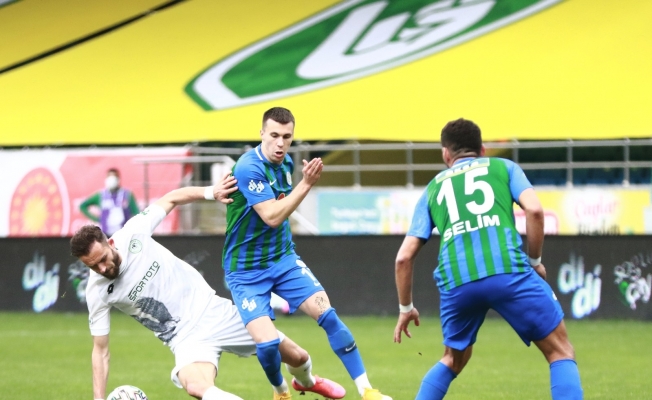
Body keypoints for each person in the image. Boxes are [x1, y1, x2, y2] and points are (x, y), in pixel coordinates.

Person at [70, 175, 345, 400]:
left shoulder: (133, 232)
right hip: (184, 340)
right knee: (196, 387)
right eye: (93, 266)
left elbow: (171, 198)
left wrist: (210, 192)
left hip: (213, 310)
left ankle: (307, 382)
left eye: (103, 259)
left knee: (297, 356)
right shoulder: (96, 291)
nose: (102, 269)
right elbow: (100, 351)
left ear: (110, 243)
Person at [393, 118, 583, 400]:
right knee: (560, 351)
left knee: (452, 359)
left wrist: (406, 307)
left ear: (446, 153)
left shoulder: (433, 189)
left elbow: (403, 258)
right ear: (482, 150)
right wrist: (534, 262)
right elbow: (534, 211)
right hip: (508, 271)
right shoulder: (504, 167)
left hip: (457, 281)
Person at [223, 107, 391, 400]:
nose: (280, 143)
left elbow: (282, 210)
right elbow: (272, 216)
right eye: (274, 135)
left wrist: (301, 185)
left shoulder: (286, 164)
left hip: (283, 261)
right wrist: (307, 184)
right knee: (267, 345)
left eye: (286, 137)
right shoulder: (248, 168)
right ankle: (281, 392)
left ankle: (367, 390)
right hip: (246, 271)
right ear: (261, 133)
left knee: (329, 317)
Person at [80, 168, 140, 236]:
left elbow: (137, 213)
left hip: (123, 234)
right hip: (106, 234)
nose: (112, 179)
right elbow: (82, 206)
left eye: (114, 176)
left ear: (118, 179)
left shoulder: (127, 194)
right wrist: (96, 219)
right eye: (109, 176)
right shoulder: (100, 195)